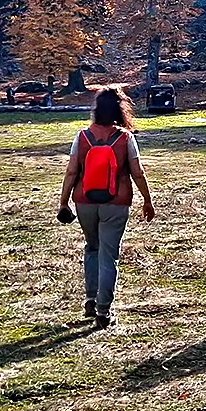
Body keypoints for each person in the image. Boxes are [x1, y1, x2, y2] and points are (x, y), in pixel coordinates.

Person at [56, 86, 156, 329]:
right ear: (121, 110)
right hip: (116, 203)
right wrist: (147, 199)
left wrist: (63, 201)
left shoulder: (82, 137)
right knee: (109, 255)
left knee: (92, 248)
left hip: (84, 202)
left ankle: (90, 300)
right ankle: (104, 311)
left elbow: (71, 172)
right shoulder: (125, 138)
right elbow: (138, 173)